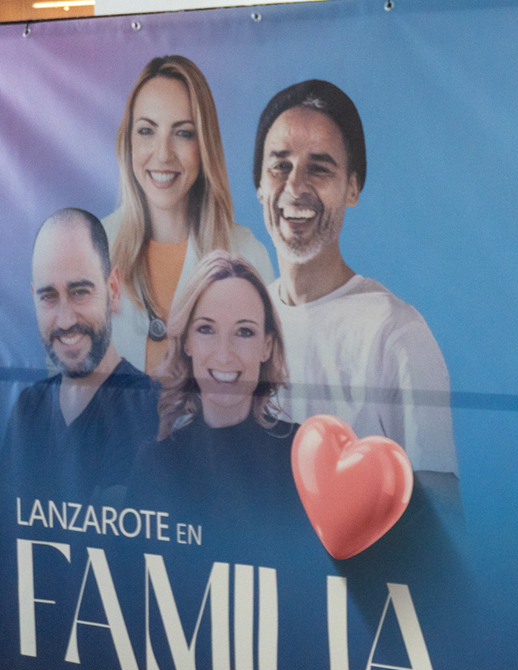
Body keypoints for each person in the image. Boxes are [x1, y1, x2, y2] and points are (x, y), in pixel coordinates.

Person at [252, 79, 456, 476]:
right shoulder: (241, 324)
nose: (295, 187)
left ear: (352, 188)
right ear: (260, 185)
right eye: (280, 166)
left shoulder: (395, 333)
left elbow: (439, 503)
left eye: (319, 169)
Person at [105, 55, 272, 375]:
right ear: (127, 142)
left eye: (183, 133)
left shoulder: (246, 254)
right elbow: (66, 378)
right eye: (146, 131)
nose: (163, 154)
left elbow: (272, 382)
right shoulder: (94, 249)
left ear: (204, 145)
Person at [126, 251, 300, 527]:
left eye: (244, 332)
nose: (224, 354)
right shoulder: (155, 465)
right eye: (206, 329)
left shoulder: (301, 454)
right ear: (186, 342)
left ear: (266, 346)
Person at [0, 209, 158, 503]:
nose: (65, 320)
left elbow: (110, 525)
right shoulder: (27, 408)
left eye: (80, 292)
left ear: (113, 290)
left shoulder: (146, 404)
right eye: (48, 297)